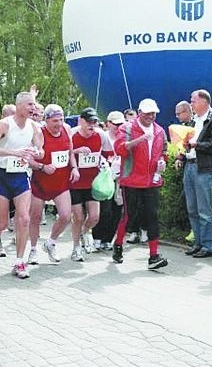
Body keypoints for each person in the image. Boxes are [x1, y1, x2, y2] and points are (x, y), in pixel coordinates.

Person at [0, 91, 43, 279]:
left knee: (24, 219)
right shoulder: (5, 124)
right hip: (1, 175)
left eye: (34, 105)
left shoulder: (34, 127)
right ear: (19, 106)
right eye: (30, 105)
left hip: (21, 176)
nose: (33, 108)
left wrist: (37, 153)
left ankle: (19, 262)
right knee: (2, 222)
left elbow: (41, 149)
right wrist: (15, 153)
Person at [112, 99, 169, 269]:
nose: (152, 116)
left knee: (152, 216)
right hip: (131, 180)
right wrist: (140, 139)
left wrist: (162, 162)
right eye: (148, 113)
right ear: (139, 112)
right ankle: (118, 244)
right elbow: (120, 149)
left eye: (154, 113)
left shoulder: (159, 131)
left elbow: (163, 151)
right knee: (129, 216)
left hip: (152, 181)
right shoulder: (127, 128)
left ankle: (153, 256)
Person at [27, 104, 79, 264]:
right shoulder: (39, 134)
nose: (59, 124)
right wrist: (42, 166)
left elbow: (70, 152)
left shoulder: (67, 130)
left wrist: (75, 168)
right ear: (46, 120)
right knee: (35, 217)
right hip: (40, 182)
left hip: (61, 182)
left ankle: (50, 243)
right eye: (55, 121)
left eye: (61, 120)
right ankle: (33, 249)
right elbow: (27, 159)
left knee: (65, 215)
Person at [182, 89, 212, 258]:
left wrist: (196, 145)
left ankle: (208, 245)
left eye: (193, 101)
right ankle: (198, 242)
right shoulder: (194, 120)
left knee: (204, 209)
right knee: (192, 208)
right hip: (190, 165)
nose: (191, 103)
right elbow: (189, 143)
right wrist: (183, 152)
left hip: (204, 168)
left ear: (204, 102)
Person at [69, 107, 114, 261]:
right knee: (78, 216)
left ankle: (85, 232)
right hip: (74, 182)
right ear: (81, 121)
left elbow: (109, 154)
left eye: (94, 122)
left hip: (93, 182)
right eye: (88, 122)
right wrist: (76, 151)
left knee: (94, 217)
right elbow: (62, 153)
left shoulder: (101, 135)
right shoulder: (72, 134)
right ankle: (76, 248)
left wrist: (105, 163)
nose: (91, 125)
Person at [92, 111, 124, 250]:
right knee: (105, 210)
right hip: (105, 177)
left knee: (117, 209)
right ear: (108, 124)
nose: (118, 127)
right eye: (115, 124)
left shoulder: (125, 138)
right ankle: (97, 237)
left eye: (120, 124)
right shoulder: (103, 137)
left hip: (120, 178)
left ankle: (108, 239)